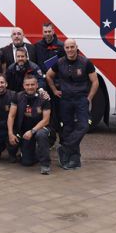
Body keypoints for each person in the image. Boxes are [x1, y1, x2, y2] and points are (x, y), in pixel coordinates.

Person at [46, 39, 98, 170]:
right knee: (68, 128)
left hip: (81, 99)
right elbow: (48, 76)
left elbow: (95, 81)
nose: (70, 50)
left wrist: (89, 98)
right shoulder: (60, 62)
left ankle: (64, 148)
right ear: (64, 49)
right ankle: (74, 159)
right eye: (67, 47)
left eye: (72, 47)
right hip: (66, 100)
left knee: (84, 125)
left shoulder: (85, 62)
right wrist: (54, 90)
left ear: (76, 47)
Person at [8, 75, 52, 174]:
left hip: (41, 129)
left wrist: (32, 131)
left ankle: (45, 165)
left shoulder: (44, 98)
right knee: (27, 162)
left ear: (37, 85)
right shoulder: (18, 96)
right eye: (27, 85)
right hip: (25, 132)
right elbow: (11, 116)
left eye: (32, 84)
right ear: (24, 86)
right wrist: (11, 133)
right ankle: (33, 153)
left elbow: (46, 120)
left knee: (41, 135)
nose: (30, 87)